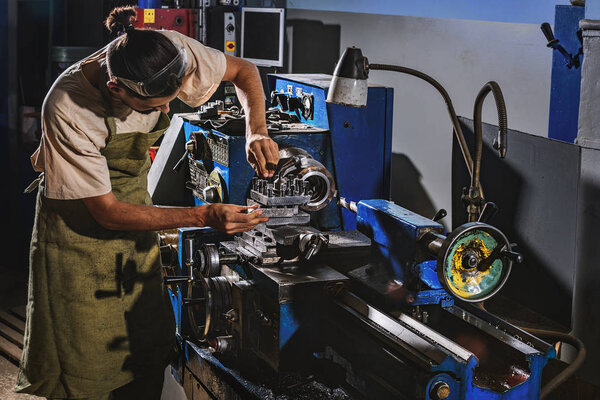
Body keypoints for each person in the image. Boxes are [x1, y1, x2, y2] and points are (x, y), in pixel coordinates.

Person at [15, 5, 279, 400]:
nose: (166, 111)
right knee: (84, 357)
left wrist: (256, 130)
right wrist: (203, 215)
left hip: (134, 209)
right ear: (117, 88)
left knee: (146, 343)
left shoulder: (172, 52)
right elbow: (106, 211)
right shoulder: (68, 106)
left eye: (170, 101)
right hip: (77, 231)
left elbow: (245, 72)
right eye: (154, 107)